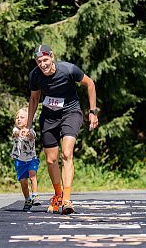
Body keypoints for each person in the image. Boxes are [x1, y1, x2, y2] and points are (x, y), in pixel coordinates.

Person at [22, 44, 98, 215]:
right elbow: (34, 99)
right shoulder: (35, 75)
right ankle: (58, 194)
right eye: (39, 61)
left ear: (52, 57)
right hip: (49, 117)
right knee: (50, 160)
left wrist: (93, 112)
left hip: (71, 113)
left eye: (45, 60)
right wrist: (28, 124)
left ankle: (67, 200)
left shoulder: (68, 70)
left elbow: (90, 84)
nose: (43, 64)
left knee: (66, 153)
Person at [11, 107, 41, 211]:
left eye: (22, 117)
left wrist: (28, 133)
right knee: (23, 183)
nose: (18, 119)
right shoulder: (15, 130)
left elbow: (33, 136)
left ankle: (35, 195)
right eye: (17, 117)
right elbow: (14, 133)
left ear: (28, 120)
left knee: (33, 175)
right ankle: (27, 199)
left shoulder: (31, 131)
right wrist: (19, 133)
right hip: (20, 161)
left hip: (31, 159)